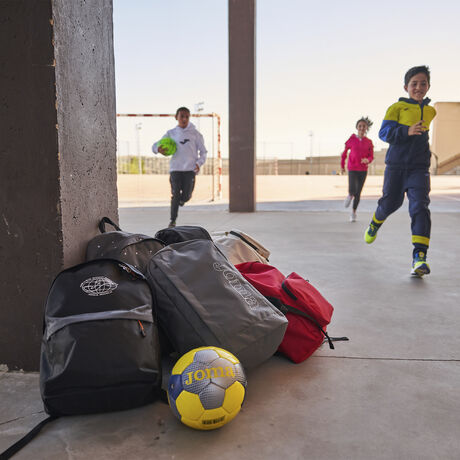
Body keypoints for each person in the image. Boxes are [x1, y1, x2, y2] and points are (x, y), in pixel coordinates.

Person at [364, 66, 436, 277]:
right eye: (414, 83)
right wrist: (407, 130)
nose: (418, 87)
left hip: (419, 168)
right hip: (396, 167)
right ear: (406, 87)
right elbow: (384, 133)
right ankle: (375, 223)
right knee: (391, 203)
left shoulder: (432, 111)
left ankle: (419, 257)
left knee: (420, 207)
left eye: (423, 83)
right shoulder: (396, 108)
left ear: (428, 86)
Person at [152, 107, 207, 228]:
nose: (184, 119)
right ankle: (172, 221)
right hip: (175, 169)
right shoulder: (171, 133)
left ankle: (183, 200)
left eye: (187, 116)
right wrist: (158, 149)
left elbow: (203, 152)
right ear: (176, 117)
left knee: (186, 196)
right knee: (175, 194)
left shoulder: (195, 134)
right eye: (182, 116)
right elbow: (155, 146)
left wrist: (199, 163)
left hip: (190, 170)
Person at [341, 117, 374, 222]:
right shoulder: (351, 139)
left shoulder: (369, 142)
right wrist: (342, 166)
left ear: (366, 128)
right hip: (352, 168)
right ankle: (350, 195)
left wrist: (367, 160)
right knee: (352, 189)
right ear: (357, 127)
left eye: (364, 126)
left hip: (363, 170)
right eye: (360, 126)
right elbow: (344, 153)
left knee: (358, 193)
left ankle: (353, 213)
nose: (361, 128)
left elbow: (371, 156)